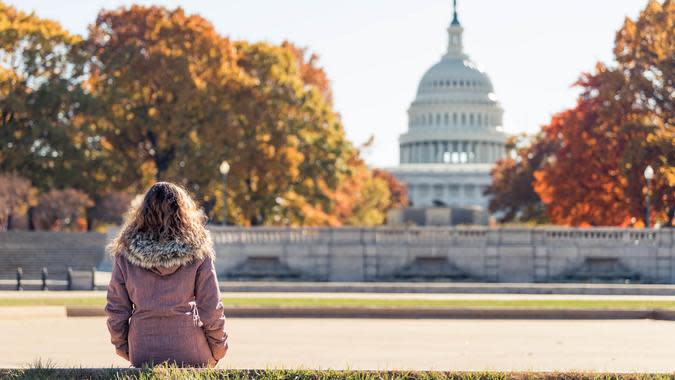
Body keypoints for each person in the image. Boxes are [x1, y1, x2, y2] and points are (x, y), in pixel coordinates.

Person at [105, 182, 228, 368]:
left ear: (142, 212)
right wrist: (218, 348)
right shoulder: (198, 252)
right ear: (183, 212)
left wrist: (123, 346)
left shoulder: (126, 254)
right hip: (191, 347)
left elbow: (117, 309)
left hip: (142, 348)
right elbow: (211, 308)